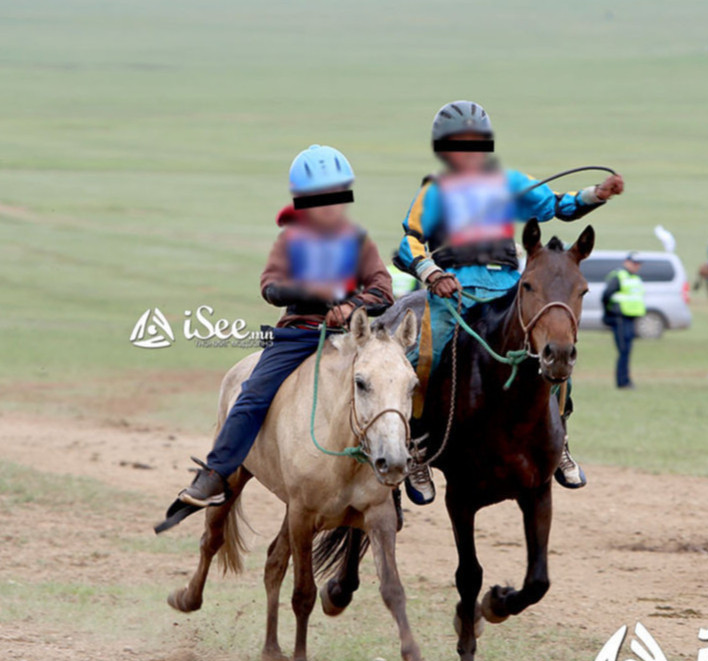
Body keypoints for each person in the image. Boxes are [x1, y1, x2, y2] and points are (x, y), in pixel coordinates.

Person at [395, 100, 625, 503]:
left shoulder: (510, 183)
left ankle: (560, 439)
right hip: (455, 291)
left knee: (554, 348)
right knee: (421, 357)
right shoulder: (435, 190)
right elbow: (409, 240)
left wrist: (595, 195)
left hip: (508, 290)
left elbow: (556, 205)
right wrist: (432, 272)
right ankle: (417, 446)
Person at [167, 145, 394, 509]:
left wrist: (351, 306)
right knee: (252, 394)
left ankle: (405, 469)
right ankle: (215, 473)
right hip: (299, 334)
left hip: (353, 338)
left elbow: (384, 289)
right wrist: (319, 295)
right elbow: (271, 287)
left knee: (397, 385)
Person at [602, 252, 646, 389]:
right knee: (623, 350)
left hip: (630, 319)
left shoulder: (636, 278)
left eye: (638, 264)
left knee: (627, 351)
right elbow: (606, 296)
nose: (636, 266)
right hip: (619, 318)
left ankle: (626, 380)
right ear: (626, 262)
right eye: (634, 263)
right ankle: (622, 381)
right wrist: (610, 313)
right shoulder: (619, 276)